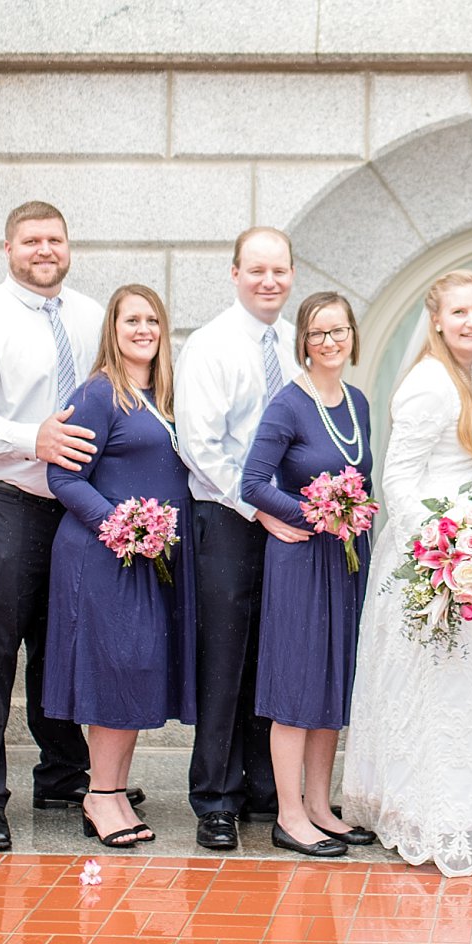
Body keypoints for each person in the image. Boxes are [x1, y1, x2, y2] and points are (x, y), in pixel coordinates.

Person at [0, 201, 121, 853]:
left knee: (61, 644)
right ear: (8, 247)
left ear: (69, 247)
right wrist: (29, 438)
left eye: (56, 239)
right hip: (7, 502)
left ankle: (63, 773)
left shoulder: (94, 317)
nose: (46, 249)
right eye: (32, 239)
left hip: (77, 507)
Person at [344, 270, 472, 876]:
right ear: (438, 319)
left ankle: (467, 805)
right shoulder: (428, 382)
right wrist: (446, 549)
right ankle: (428, 811)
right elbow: (398, 478)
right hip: (436, 555)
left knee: (468, 686)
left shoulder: (471, 373)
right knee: (436, 685)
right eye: (461, 312)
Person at [43, 284, 199, 848]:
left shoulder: (167, 393)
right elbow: (62, 478)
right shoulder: (98, 394)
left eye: (152, 320)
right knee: (115, 670)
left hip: (153, 557)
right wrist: (119, 527)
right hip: (103, 555)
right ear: (113, 327)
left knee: (136, 670)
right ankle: (100, 796)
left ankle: (113, 790)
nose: (143, 330)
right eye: (132, 319)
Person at [242, 292, 379, 858]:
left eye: (339, 330)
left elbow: (362, 478)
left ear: (352, 335)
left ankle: (322, 807)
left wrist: (352, 514)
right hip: (301, 558)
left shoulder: (359, 402)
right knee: (297, 683)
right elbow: (252, 483)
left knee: (333, 682)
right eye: (319, 333)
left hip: (348, 558)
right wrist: (311, 514)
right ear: (303, 340)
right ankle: (290, 814)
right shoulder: (287, 404)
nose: (330, 341)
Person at [176, 226, 299, 850]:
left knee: (270, 655)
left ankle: (263, 787)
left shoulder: (295, 344)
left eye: (279, 270)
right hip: (228, 519)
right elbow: (200, 446)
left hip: (287, 520)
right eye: (256, 270)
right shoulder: (212, 345)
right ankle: (216, 798)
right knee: (224, 660)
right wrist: (259, 509)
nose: (269, 281)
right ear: (234, 273)